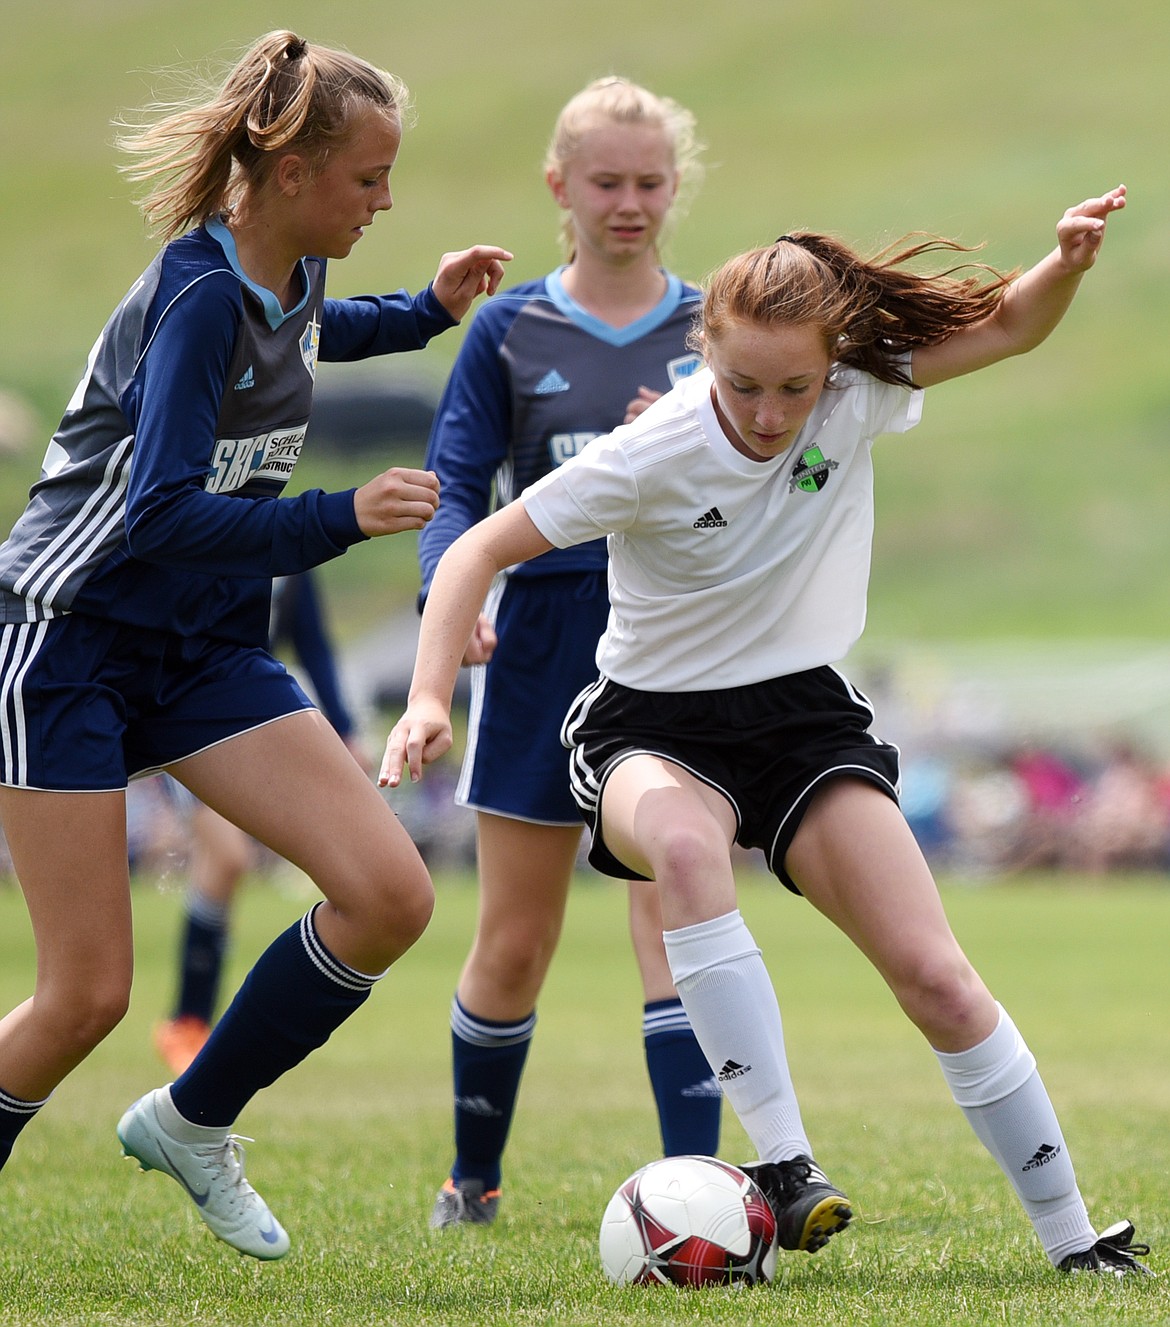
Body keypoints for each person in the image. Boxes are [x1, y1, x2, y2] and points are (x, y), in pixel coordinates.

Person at [384, 186, 1155, 1276]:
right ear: (707, 349)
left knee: (936, 975)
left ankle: (1075, 1238)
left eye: (794, 386)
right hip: (646, 726)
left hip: (804, 716)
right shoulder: (646, 451)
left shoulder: (853, 394)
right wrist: (427, 695)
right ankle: (787, 1168)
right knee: (691, 852)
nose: (768, 411)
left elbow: (1011, 326)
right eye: (743, 384)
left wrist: (1065, 264)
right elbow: (475, 552)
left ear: (830, 363)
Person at [0, 30, 510, 1262]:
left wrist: (430, 312)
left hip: (202, 645)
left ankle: (194, 1117)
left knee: (388, 894)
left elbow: (316, 331)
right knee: (86, 996)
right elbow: (160, 513)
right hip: (70, 640)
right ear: (288, 173)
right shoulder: (194, 300)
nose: (384, 202)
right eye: (368, 180)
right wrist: (340, 516)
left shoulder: (286, 276)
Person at [414, 76, 721, 1230]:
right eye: (608, 181)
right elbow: (454, 498)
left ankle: (702, 1188)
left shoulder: (714, 329)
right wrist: (457, 598)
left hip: (675, 649)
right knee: (517, 934)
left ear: (674, 186)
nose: (630, 202)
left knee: (675, 915)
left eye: (650, 181)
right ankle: (472, 1178)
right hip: (541, 648)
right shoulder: (508, 329)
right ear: (561, 186)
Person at [153, 569, 373, 1077]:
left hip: (244, 720)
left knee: (222, 865)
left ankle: (189, 1021)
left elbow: (313, 643)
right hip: (179, 712)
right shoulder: (204, 520)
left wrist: (345, 729)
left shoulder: (290, 547)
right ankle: (187, 1021)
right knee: (230, 858)